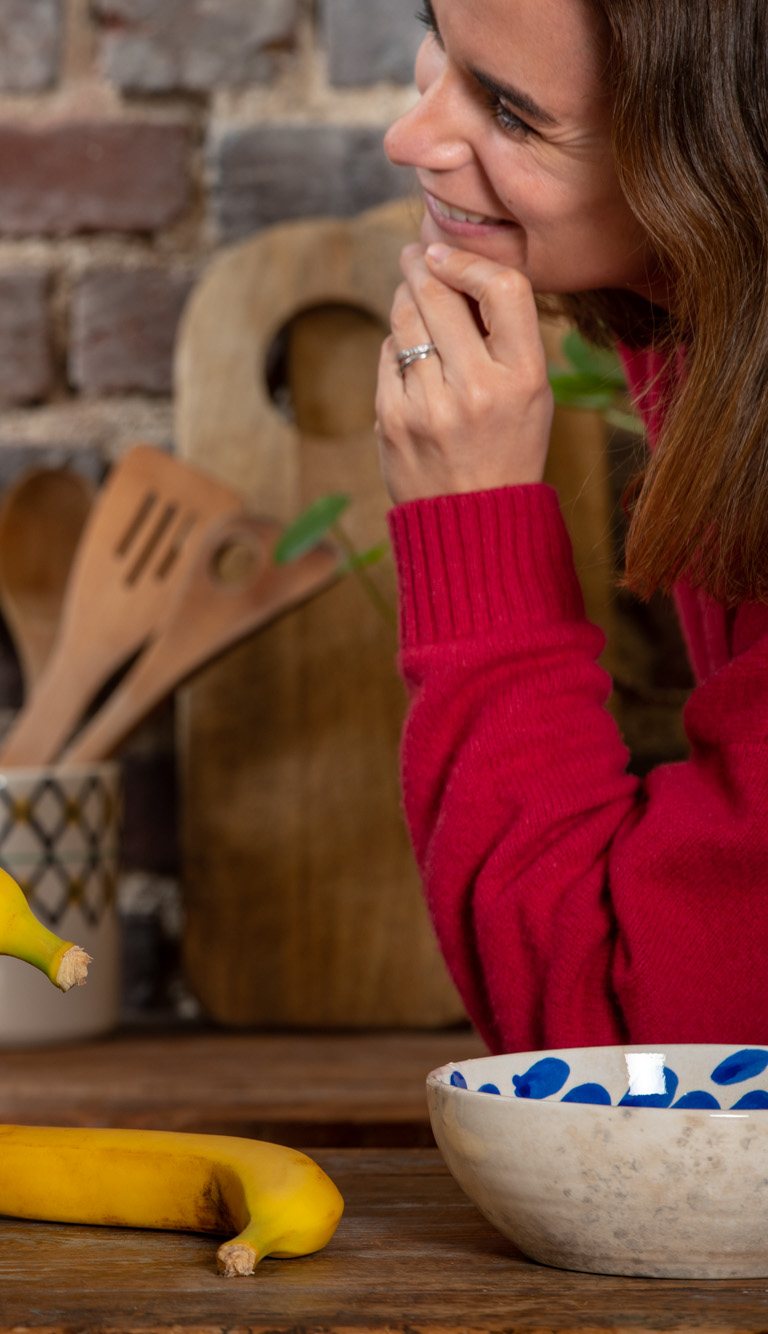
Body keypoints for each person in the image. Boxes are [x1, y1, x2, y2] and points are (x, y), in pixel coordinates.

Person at [375, 0, 768, 1054]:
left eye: (509, 110)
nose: (407, 137)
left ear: (721, 147)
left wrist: (470, 522)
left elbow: (617, 1045)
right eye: (435, 41)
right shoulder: (695, 315)